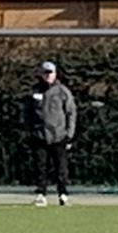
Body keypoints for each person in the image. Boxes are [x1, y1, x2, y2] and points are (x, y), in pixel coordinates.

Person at [25, 60, 76, 207]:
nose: (48, 76)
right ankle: (41, 194)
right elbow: (27, 113)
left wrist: (69, 134)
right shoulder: (35, 91)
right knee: (40, 167)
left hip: (59, 136)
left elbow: (71, 113)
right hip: (40, 135)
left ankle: (63, 194)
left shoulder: (63, 91)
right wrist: (29, 131)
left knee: (61, 168)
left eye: (50, 73)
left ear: (55, 74)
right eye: (45, 73)